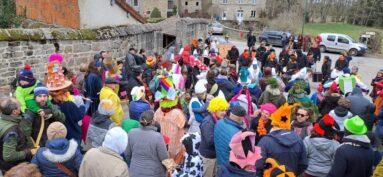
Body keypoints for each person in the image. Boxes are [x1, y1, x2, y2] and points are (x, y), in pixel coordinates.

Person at [256, 103, 307, 176]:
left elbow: (258, 165)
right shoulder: (298, 140)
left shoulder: (265, 141)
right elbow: (304, 164)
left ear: (273, 124)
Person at [127, 111, 169, 177]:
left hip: (134, 172)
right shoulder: (157, 137)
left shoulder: (131, 132)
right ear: (152, 122)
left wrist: (134, 166)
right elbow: (164, 158)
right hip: (154, 173)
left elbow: (127, 154)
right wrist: (170, 169)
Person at [0, 98, 35, 172]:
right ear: (14, 111)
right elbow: (8, 156)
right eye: (19, 106)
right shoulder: (12, 131)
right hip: (14, 168)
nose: (21, 107)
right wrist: (29, 152)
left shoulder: (2, 120)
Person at [154, 80, 186, 158]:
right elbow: (183, 125)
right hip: (174, 146)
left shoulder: (158, 111)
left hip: (162, 144)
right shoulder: (177, 113)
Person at [199, 97, 229, 177]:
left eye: (225, 110)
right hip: (208, 157)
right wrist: (224, 139)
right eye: (222, 110)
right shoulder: (208, 122)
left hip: (215, 155)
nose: (225, 112)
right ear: (215, 110)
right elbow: (210, 141)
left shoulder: (218, 120)